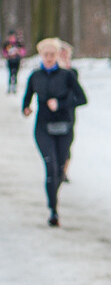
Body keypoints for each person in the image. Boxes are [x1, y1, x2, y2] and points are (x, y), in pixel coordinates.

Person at [22, 38, 87, 227]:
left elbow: (82, 99)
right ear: (41, 55)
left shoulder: (68, 75)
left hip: (64, 128)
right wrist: (26, 109)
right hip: (43, 128)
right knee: (50, 167)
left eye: (52, 54)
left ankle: (53, 197)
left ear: (57, 55)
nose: (49, 58)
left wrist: (60, 104)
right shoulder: (35, 76)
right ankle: (53, 209)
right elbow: (27, 98)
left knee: (59, 169)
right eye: (46, 54)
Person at [54, 39, 84, 183]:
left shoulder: (72, 72)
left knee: (67, 143)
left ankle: (63, 171)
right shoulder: (52, 72)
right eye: (61, 54)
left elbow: (78, 94)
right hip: (53, 112)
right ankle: (55, 168)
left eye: (66, 54)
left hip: (69, 112)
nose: (64, 57)